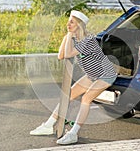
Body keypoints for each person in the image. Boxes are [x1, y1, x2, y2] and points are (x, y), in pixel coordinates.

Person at [30, 10, 117, 145]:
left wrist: (69, 35)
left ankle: (73, 133)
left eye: (72, 22)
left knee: (86, 99)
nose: (68, 23)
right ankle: (48, 125)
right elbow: (61, 55)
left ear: (79, 25)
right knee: (68, 95)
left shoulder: (89, 40)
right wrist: (67, 36)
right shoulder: (74, 38)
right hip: (92, 75)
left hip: (106, 74)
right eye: (68, 20)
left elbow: (69, 53)